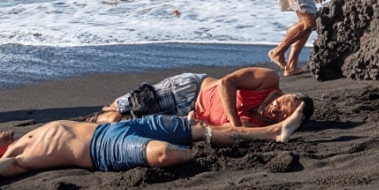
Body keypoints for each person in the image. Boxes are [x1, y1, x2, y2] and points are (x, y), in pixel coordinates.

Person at [0, 110, 307, 182]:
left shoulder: (25, 136)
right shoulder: (15, 159)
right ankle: (200, 158)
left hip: (118, 127)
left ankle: (273, 133)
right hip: (104, 152)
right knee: (166, 155)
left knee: (198, 128)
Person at [92, 67, 314, 126]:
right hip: (193, 90)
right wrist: (235, 123)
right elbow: (228, 82)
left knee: (120, 123)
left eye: (281, 115)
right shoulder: (267, 80)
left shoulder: (260, 125)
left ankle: (94, 121)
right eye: (281, 103)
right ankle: (97, 114)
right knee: (130, 104)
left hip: (189, 119)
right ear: (286, 94)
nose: (275, 109)